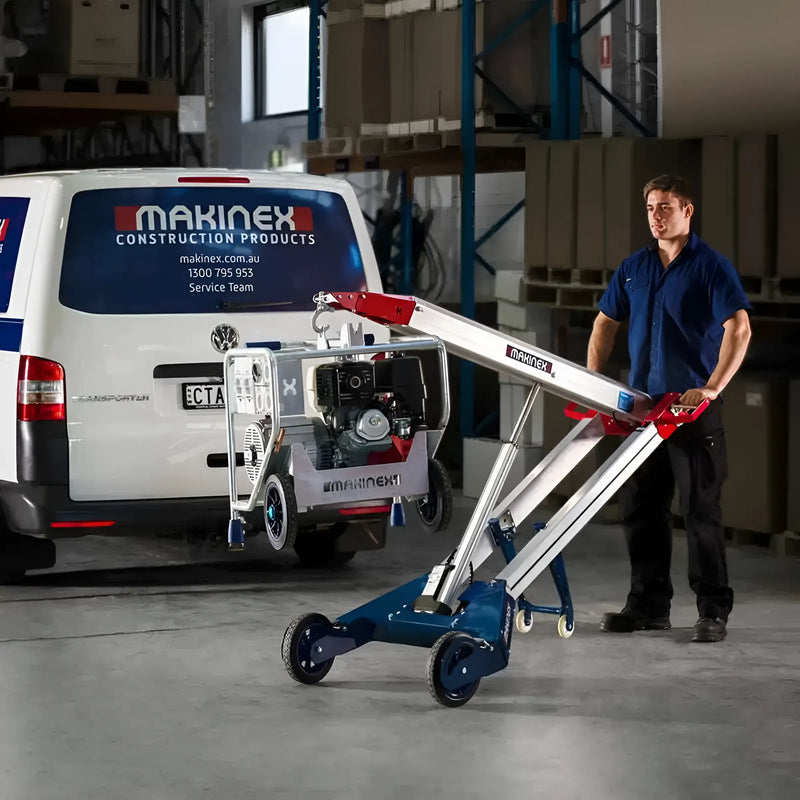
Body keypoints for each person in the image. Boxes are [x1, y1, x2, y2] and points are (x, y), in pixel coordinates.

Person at [587, 174, 752, 643]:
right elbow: (603, 323)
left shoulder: (710, 267)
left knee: (701, 511)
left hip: (691, 413)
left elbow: (739, 329)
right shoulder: (634, 268)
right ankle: (647, 606)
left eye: (666, 208)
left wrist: (713, 387)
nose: (657, 217)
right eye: (651, 209)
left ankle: (712, 611)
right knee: (641, 510)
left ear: (687, 211)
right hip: (644, 412)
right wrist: (596, 381)